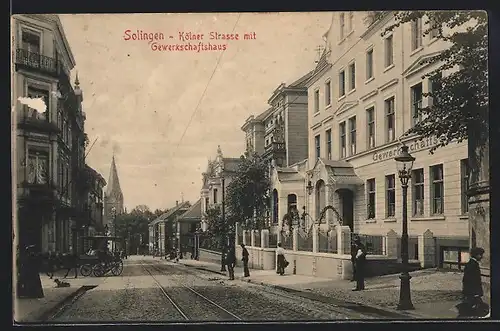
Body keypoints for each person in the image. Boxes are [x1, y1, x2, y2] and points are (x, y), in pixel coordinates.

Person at [457, 247, 489, 318]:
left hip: (470, 292)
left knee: (472, 309)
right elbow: (472, 280)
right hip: (472, 292)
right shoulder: (473, 265)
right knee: (473, 310)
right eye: (481, 255)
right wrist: (476, 293)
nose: (482, 257)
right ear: (477, 255)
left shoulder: (471, 263)